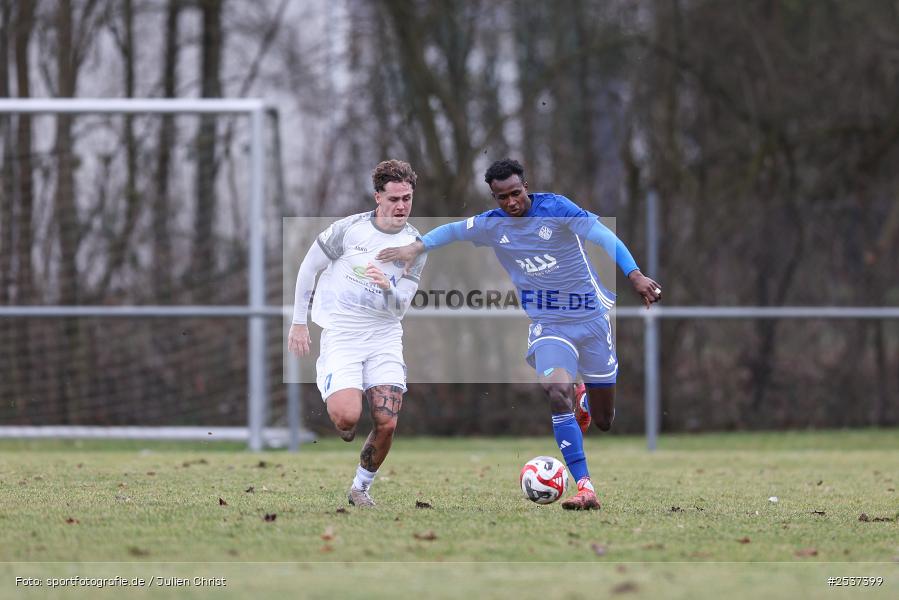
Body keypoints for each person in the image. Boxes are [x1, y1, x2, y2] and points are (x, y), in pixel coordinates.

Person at [377, 158, 661, 510]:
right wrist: (415, 247)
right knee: (557, 392)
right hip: (549, 325)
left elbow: (602, 235)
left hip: (591, 321)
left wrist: (633, 274)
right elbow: (452, 230)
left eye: (516, 194)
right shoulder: (492, 226)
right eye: (502, 197)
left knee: (603, 421)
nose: (511, 203)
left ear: (526, 186)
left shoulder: (556, 208)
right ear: (494, 197)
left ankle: (585, 400)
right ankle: (585, 487)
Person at [288, 159, 426, 508]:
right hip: (343, 334)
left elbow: (400, 308)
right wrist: (299, 321)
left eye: (407, 198)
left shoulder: (415, 245)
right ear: (378, 197)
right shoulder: (347, 230)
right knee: (347, 418)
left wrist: (386, 289)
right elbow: (308, 269)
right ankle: (336, 393)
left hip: (384, 335)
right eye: (394, 198)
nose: (401, 206)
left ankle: (360, 489)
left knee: (387, 422)